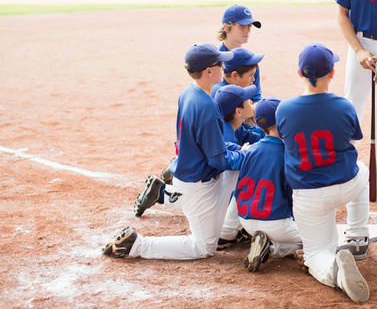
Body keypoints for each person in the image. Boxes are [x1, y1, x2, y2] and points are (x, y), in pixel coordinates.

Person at [103, 43, 248, 260]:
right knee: (204, 247)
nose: (224, 67)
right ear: (209, 71)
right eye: (221, 64)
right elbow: (218, 159)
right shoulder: (207, 107)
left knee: (238, 167)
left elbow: (208, 145)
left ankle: (164, 194)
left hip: (193, 173)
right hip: (198, 183)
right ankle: (138, 245)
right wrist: (244, 154)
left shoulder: (189, 92)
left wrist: (237, 151)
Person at [275, 43, 371, 303]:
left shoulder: (284, 109)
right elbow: (351, 140)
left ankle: (335, 273)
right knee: (362, 171)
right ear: (332, 73)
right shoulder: (344, 106)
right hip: (346, 183)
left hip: (308, 194)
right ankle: (358, 234)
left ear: (300, 74)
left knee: (316, 253)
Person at [235, 97, 303, 273]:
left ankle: (265, 243)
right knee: (322, 236)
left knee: (288, 235)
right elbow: (293, 195)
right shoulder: (287, 153)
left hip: (245, 221)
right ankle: (272, 247)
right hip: (276, 223)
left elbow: (238, 190)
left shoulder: (250, 150)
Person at [213, 84, 261, 249]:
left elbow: (256, 137)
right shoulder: (225, 133)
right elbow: (231, 163)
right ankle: (227, 230)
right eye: (248, 101)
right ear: (238, 112)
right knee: (247, 167)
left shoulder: (236, 126)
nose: (252, 103)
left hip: (216, 191)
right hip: (209, 192)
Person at [218, 4, 263, 102]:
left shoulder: (250, 60)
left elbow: (256, 96)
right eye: (242, 26)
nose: (247, 30)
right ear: (226, 27)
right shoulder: (215, 61)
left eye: (249, 26)